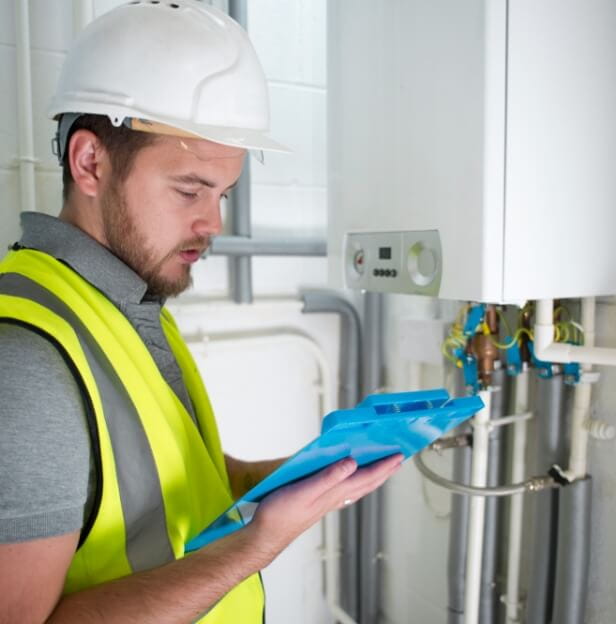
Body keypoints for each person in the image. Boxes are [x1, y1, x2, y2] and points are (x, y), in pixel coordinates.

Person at [0, 2, 403, 622]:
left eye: (221, 193)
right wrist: (260, 542)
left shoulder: (130, 303)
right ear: (90, 163)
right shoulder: (25, 360)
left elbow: (170, 492)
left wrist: (300, 478)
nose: (213, 223)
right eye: (189, 189)